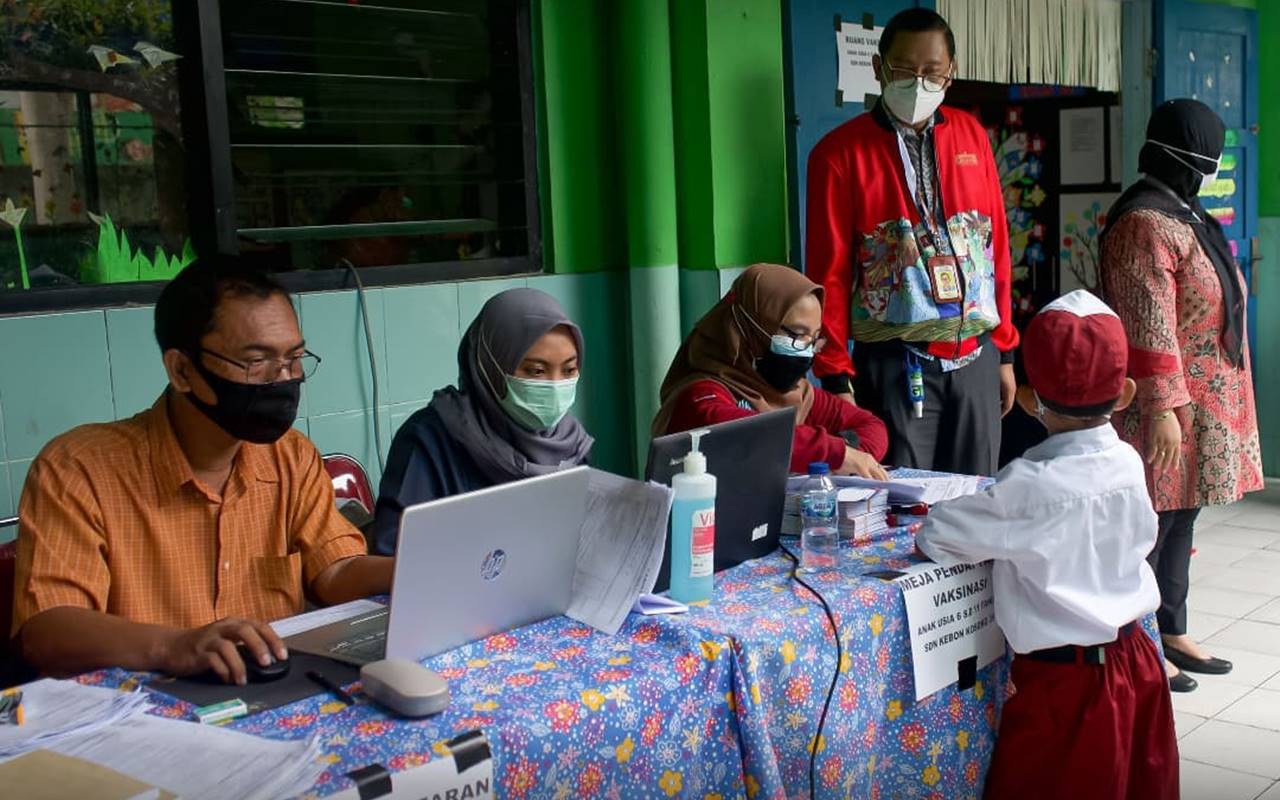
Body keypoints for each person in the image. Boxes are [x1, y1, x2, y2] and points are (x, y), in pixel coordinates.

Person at [11, 259, 394, 686]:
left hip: (267, 695)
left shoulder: (291, 457)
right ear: (182, 370)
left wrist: (417, 569)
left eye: (294, 358)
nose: (283, 379)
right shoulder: (78, 469)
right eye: (256, 361)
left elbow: (336, 571)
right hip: (137, 714)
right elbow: (48, 631)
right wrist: (175, 646)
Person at [915, 291, 1177, 800]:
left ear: (1031, 400)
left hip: (1067, 687)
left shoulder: (1028, 486)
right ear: (1124, 393)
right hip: (1137, 662)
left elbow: (937, 536)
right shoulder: (1127, 462)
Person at [805, 8, 1018, 476]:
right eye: (903, 70)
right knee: (901, 498)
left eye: (931, 72)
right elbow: (830, 275)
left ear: (951, 74)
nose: (917, 83)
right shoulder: (837, 154)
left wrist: (1004, 351)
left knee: (975, 499)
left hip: (976, 354)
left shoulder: (972, 136)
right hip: (895, 363)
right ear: (879, 69)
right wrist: (835, 374)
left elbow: (995, 247)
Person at [1100, 98, 1263, 693]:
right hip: (1165, 408)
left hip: (1205, 401)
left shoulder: (1184, 213)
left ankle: (1173, 628)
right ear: (1181, 156)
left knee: (1181, 518)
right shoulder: (1144, 222)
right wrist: (1164, 408)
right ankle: (1140, 640)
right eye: (1207, 158)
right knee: (1152, 524)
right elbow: (1148, 322)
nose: (1213, 169)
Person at [370, 288, 593, 555]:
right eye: (536, 371)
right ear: (490, 367)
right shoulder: (427, 441)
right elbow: (393, 557)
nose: (556, 386)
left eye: (569, 369)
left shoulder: (570, 443)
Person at [652, 263, 889, 478]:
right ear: (748, 328)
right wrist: (836, 453)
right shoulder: (699, 395)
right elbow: (751, 434)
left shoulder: (795, 394)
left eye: (814, 339)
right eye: (796, 335)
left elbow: (872, 427)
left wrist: (845, 453)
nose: (806, 350)